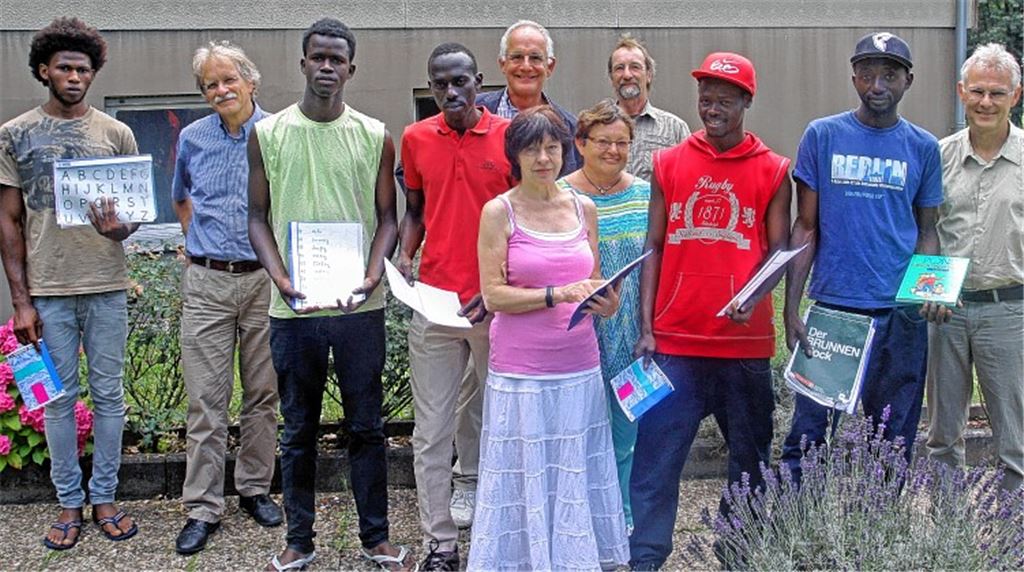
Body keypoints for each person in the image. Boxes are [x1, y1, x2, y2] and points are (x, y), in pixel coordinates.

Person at [246, 18, 412, 572]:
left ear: (350, 69)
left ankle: (376, 537)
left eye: (336, 59)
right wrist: (281, 278)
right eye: (317, 57)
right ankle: (299, 539)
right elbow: (256, 217)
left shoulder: (373, 134)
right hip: (293, 308)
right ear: (302, 63)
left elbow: (388, 219)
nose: (326, 67)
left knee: (367, 427)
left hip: (358, 306)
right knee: (298, 429)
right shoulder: (268, 134)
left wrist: (372, 273)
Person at [629, 52, 792, 569]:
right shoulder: (669, 163)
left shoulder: (773, 169)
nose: (712, 107)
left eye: (725, 99)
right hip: (675, 343)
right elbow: (653, 247)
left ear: (747, 101)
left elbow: (779, 252)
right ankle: (647, 556)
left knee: (749, 464)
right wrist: (646, 327)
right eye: (706, 97)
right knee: (655, 462)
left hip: (742, 347)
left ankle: (739, 553)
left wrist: (755, 295)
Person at [0, 16, 139, 550]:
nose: (75, 76)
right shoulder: (15, 134)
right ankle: (67, 502)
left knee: (109, 397)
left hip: (106, 283)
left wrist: (120, 228)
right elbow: (8, 221)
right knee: (56, 401)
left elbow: (133, 216)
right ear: (45, 70)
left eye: (83, 68)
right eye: (65, 67)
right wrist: (21, 301)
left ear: (93, 72)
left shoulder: (116, 132)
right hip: (48, 292)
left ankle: (104, 495)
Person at [469, 106, 629, 570]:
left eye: (553, 147)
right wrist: (555, 294)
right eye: (532, 148)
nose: (544, 157)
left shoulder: (585, 208)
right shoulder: (499, 212)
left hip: (579, 366)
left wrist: (609, 303)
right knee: (525, 474)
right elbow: (493, 295)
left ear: (565, 152)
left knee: (573, 469)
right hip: (522, 372)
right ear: (515, 155)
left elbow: (593, 278)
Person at [780, 32, 943, 481]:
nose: (877, 84)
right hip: (835, 312)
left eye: (889, 74)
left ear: (908, 80)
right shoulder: (823, 135)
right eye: (868, 73)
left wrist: (928, 289)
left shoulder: (923, 148)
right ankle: (801, 539)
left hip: (900, 317)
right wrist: (792, 310)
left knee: (891, 441)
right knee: (810, 435)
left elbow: (927, 231)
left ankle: (878, 540)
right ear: (853, 76)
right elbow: (806, 226)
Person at [396, 42, 514, 570]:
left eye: (459, 82)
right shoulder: (416, 138)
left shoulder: (511, 137)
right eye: (439, 84)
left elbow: (524, 223)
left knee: (501, 422)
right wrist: (403, 255)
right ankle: (440, 543)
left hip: (495, 307)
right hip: (436, 305)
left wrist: (498, 287)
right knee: (432, 431)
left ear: (478, 80)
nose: (450, 92)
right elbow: (415, 211)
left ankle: (497, 531)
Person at [170, 41, 282, 555]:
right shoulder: (193, 138)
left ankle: (255, 488)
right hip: (209, 284)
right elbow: (181, 197)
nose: (220, 90)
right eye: (210, 84)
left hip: (264, 279)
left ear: (250, 82)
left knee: (262, 394)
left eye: (228, 80)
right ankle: (202, 506)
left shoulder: (280, 134)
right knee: (206, 400)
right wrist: (197, 248)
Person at [926, 43, 1023, 491]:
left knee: (1014, 438)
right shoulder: (939, 156)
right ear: (961, 92)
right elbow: (925, 229)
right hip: (947, 311)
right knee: (943, 434)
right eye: (978, 91)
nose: (986, 102)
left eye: (997, 93)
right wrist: (929, 290)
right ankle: (950, 534)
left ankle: (1011, 538)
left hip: (1010, 312)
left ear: (1015, 96)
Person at [557, 98, 649, 532]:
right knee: (577, 434)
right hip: (577, 336)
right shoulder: (560, 196)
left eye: (622, 142)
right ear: (580, 143)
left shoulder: (647, 195)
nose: (613, 150)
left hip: (633, 337)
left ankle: (622, 520)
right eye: (602, 142)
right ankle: (581, 517)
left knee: (626, 437)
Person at [476, 20, 581, 175]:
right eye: (517, 57)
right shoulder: (474, 113)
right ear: (502, 64)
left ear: (549, 67)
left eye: (535, 58)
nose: (526, 66)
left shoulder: (571, 128)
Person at [608, 34, 690, 182]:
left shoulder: (674, 128)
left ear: (649, 75)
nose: (627, 75)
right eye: (619, 68)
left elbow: (689, 178)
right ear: (611, 78)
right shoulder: (597, 127)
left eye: (635, 67)